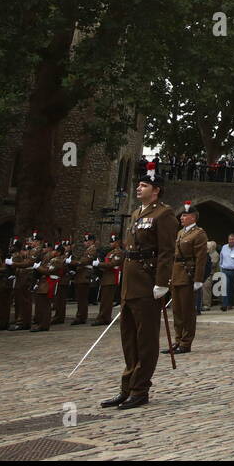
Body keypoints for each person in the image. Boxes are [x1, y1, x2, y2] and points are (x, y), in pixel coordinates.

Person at [99, 174, 176, 410]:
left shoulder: (163, 214)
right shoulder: (136, 213)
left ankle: (140, 389)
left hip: (147, 282)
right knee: (129, 338)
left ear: (156, 190)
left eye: (144, 185)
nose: (138, 188)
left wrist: (162, 282)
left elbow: (166, 251)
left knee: (145, 339)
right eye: (139, 185)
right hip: (130, 283)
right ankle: (127, 387)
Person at [170, 202, 208, 353]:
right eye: (182, 215)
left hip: (188, 274)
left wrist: (198, 279)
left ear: (193, 217)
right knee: (177, 310)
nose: (182, 217)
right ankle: (178, 340)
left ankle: (186, 342)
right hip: (176, 274)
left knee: (187, 311)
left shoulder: (199, 234)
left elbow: (200, 258)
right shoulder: (180, 233)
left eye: (185, 215)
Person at [70, 231, 99, 326]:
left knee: (82, 298)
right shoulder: (87, 250)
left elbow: (85, 261)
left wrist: (73, 262)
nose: (85, 243)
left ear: (91, 241)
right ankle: (80, 315)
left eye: (87, 241)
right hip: (81, 274)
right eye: (85, 241)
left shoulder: (92, 249)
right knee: (80, 298)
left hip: (85, 275)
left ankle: (81, 317)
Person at [94, 235, 123, 325]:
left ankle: (104, 318)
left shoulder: (119, 252)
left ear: (117, 242)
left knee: (107, 300)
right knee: (104, 300)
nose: (111, 243)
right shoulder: (110, 253)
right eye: (110, 242)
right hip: (106, 277)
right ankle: (103, 317)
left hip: (111, 278)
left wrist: (99, 264)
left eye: (112, 242)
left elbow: (113, 263)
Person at [218, 233, 234, 312]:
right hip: (225, 270)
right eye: (230, 239)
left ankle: (230, 303)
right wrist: (221, 268)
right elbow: (221, 258)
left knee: (231, 288)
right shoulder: (224, 247)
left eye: (232, 239)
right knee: (225, 286)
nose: (231, 241)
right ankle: (224, 305)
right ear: (228, 240)